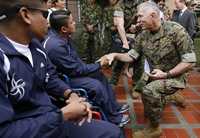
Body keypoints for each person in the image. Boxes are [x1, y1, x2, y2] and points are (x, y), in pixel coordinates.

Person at [0, 0, 124, 138]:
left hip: (50, 118)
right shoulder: (3, 59)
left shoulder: (34, 45)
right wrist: (63, 115)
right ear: (25, 15)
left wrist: (71, 94)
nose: (48, 22)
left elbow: (51, 77)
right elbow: (5, 132)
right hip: (36, 128)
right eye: (44, 14)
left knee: (113, 132)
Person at [99, 1, 196, 137]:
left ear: (153, 15)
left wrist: (166, 74)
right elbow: (131, 56)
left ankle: (154, 128)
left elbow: (190, 61)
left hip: (175, 75)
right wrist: (114, 55)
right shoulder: (143, 35)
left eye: (140, 16)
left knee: (149, 91)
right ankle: (171, 96)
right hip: (155, 74)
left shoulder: (176, 31)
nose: (137, 20)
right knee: (144, 93)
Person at [44, 9, 130, 127]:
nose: (75, 23)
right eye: (72, 22)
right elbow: (75, 70)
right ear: (63, 29)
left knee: (99, 74)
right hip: (63, 79)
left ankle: (114, 108)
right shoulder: (55, 46)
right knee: (96, 86)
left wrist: (94, 67)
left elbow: (76, 63)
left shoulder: (63, 37)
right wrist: (99, 64)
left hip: (71, 71)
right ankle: (114, 119)